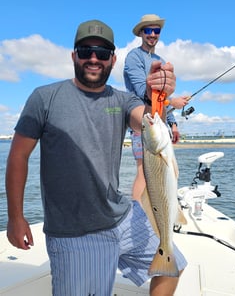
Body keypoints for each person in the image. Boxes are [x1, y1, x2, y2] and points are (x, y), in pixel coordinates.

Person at [5, 19, 187, 296]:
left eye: (102, 53)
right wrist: (16, 217)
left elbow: (147, 119)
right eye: (85, 50)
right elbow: (18, 157)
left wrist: (158, 94)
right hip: (74, 231)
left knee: (174, 264)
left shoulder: (123, 101)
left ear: (112, 59)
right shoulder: (44, 98)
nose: (94, 58)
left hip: (121, 216)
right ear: (73, 55)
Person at [124, 14, 188, 204]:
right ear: (141, 33)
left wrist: (173, 124)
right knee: (143, 171)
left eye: (156, 30)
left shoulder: (161, 59)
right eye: (148, 30)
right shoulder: (133, 57)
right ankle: (137, 212)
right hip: (142, 120)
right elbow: (144, 92)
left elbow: (163, 96)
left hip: (162, 121)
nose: (152, 34)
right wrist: (171, 103)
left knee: (167, 170)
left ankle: (158, 210)